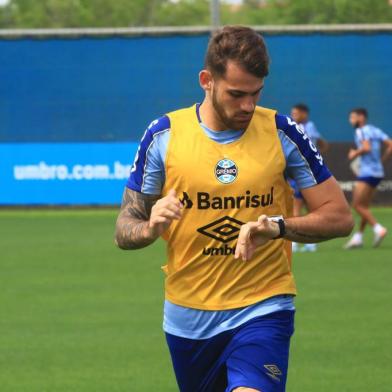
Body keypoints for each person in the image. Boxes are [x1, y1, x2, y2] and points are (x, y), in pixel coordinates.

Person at [115, 26, 353, 392]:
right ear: (206, 80)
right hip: (187, 320)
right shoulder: (163, 135)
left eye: (255, 93)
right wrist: (149, 227)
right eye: (236, 94)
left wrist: (277, 226)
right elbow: (124, 228)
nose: (248, 105)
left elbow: (340, 216)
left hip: (263, 307)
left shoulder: (281, 131)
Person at [344, 108, 392, 249]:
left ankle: (378, 229)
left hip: (367, 173)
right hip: (377, 173)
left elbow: (366, 147)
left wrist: (354, 153)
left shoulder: (361, 131)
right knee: (364, 206)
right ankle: (358, 237)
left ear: (361, 117)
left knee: (357, 206)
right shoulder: (374, 130)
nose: (351, 120)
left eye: (353, 117)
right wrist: (382, 161)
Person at [290, 104, 329, 252]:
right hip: (311, 174)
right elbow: (323, 143)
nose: (293, 115)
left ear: (304, 113)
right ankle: (311, 243)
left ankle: (294, 242)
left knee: (296, 208)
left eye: (295, 113)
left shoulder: (300, 128)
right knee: (311, 209)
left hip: (300, 173)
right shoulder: (311, 126)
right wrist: (318, 157)